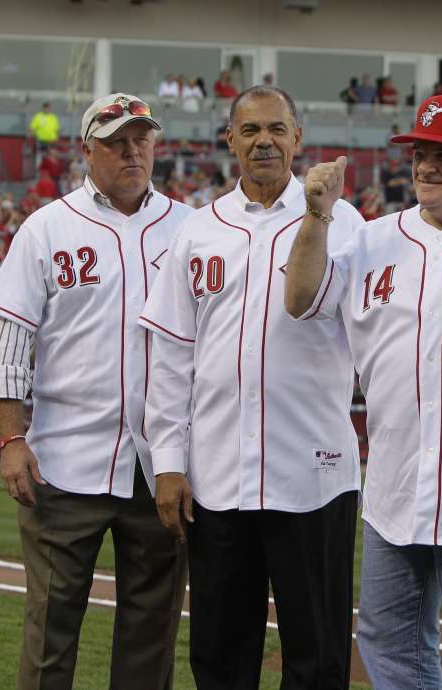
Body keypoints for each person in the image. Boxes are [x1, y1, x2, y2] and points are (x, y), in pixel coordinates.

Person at [284, 94, 442, 688]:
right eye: (419, 153)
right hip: (395, 487)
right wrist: (316, 215)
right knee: (388, 649)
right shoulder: (370, 239)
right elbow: (301, 299)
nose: (425, 167)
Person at [140, 85, 362, 689]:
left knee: (317, 657)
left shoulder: (344, 225)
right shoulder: (199, 229)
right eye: (250, 130)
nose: (264, 140)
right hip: (218, 477)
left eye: (276, 129)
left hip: (312, 474)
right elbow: (170, 354)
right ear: (230, 140)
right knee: (219, 653)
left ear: (298, 138)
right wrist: (166, 461)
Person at [0, 93, 191, 689]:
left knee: (151, 638)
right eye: (117, 141)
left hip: (160, 465)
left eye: (142, 139)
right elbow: (8, 340)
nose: (132, 151)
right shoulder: (47, 226)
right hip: (64, 462)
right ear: (87, 149)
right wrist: (11, 438)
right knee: (50, 632)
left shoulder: (189, 227)